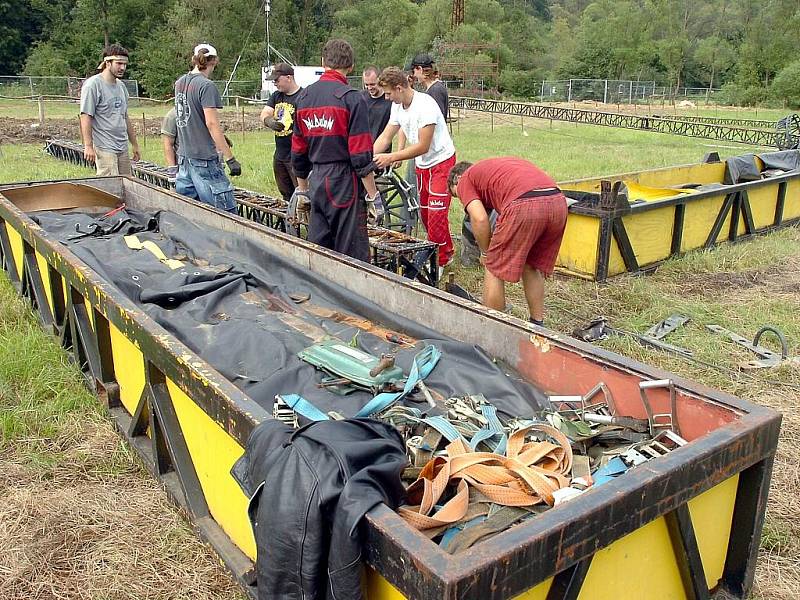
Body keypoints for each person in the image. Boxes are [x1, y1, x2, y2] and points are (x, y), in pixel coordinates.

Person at [447, 157, 568, 326]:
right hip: (558, 202)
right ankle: (538, 325)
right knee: (531, 265)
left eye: (457, 195)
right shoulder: (495, 169)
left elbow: (480, 218)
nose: (463, 202)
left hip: (524, 204)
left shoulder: (465, 179)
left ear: (457, 179)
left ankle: (493, 328)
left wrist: (485, 252)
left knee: (493, 267)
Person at [291, 39, 382, 262]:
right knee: (351, 252)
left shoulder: (303, 97)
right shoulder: (352, 98)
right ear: (350, 66)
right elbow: (361, 155)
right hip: (343, 182)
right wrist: (374, 196)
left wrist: (303, 191)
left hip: (317, 181)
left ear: (323, 62)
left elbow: (298, 152)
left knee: (319, 248)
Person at [373, 67, 456, 270]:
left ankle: (439, 262)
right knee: (426, 214)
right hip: (423, 165)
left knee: (437, 213)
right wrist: (368, 158)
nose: (386, 98)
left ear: (399, 88)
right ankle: (446, 250)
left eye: (388, 93)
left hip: (441, 161)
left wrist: (392, 156)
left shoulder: (425, 105)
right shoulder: (398, 107)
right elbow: (386, 136)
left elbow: (422, 146)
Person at [173, 43, 241, 213]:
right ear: (215, 61)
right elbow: (211, 123)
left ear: (194, 60)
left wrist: (221, 138)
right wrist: (230, 158)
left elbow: (189, 116)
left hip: (184, 157)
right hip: (204, 159)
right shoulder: (206, 86)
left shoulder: (180, 83)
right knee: (225, 213)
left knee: (192, 213)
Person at [79, 44, 140, 176]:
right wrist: (88, 146)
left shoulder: (121, 87)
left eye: (125, 64)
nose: (122, 67)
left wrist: (134, 144)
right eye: (119, 63)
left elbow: (124, 116)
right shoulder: (93, 85)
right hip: (104, 146)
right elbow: (86, 116)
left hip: (122, 146)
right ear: (107, 63)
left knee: (127, 184)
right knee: (111, 187)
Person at [260, 63, 302, 203]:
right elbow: (265, 112)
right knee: (285, 195)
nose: (275, 83)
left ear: (288, 77)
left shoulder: (303, 97)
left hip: (296, 156)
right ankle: (288, 222)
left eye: (277, 80)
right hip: (280, 155)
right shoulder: (276, 96)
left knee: (302, 195)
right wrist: (269, 121)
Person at [361, 65, 392, 151]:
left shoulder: (390, 100)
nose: (369, 88)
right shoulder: (360, 98)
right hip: (363, 150)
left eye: (372, 84)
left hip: (382, 153)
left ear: (380, 80)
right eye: (366, 84)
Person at [411, 53, 448, 121]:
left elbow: (436, 119)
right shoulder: (435, 87)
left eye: (414, 71)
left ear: (420, 69)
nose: (414, 75)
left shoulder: (435, 90)